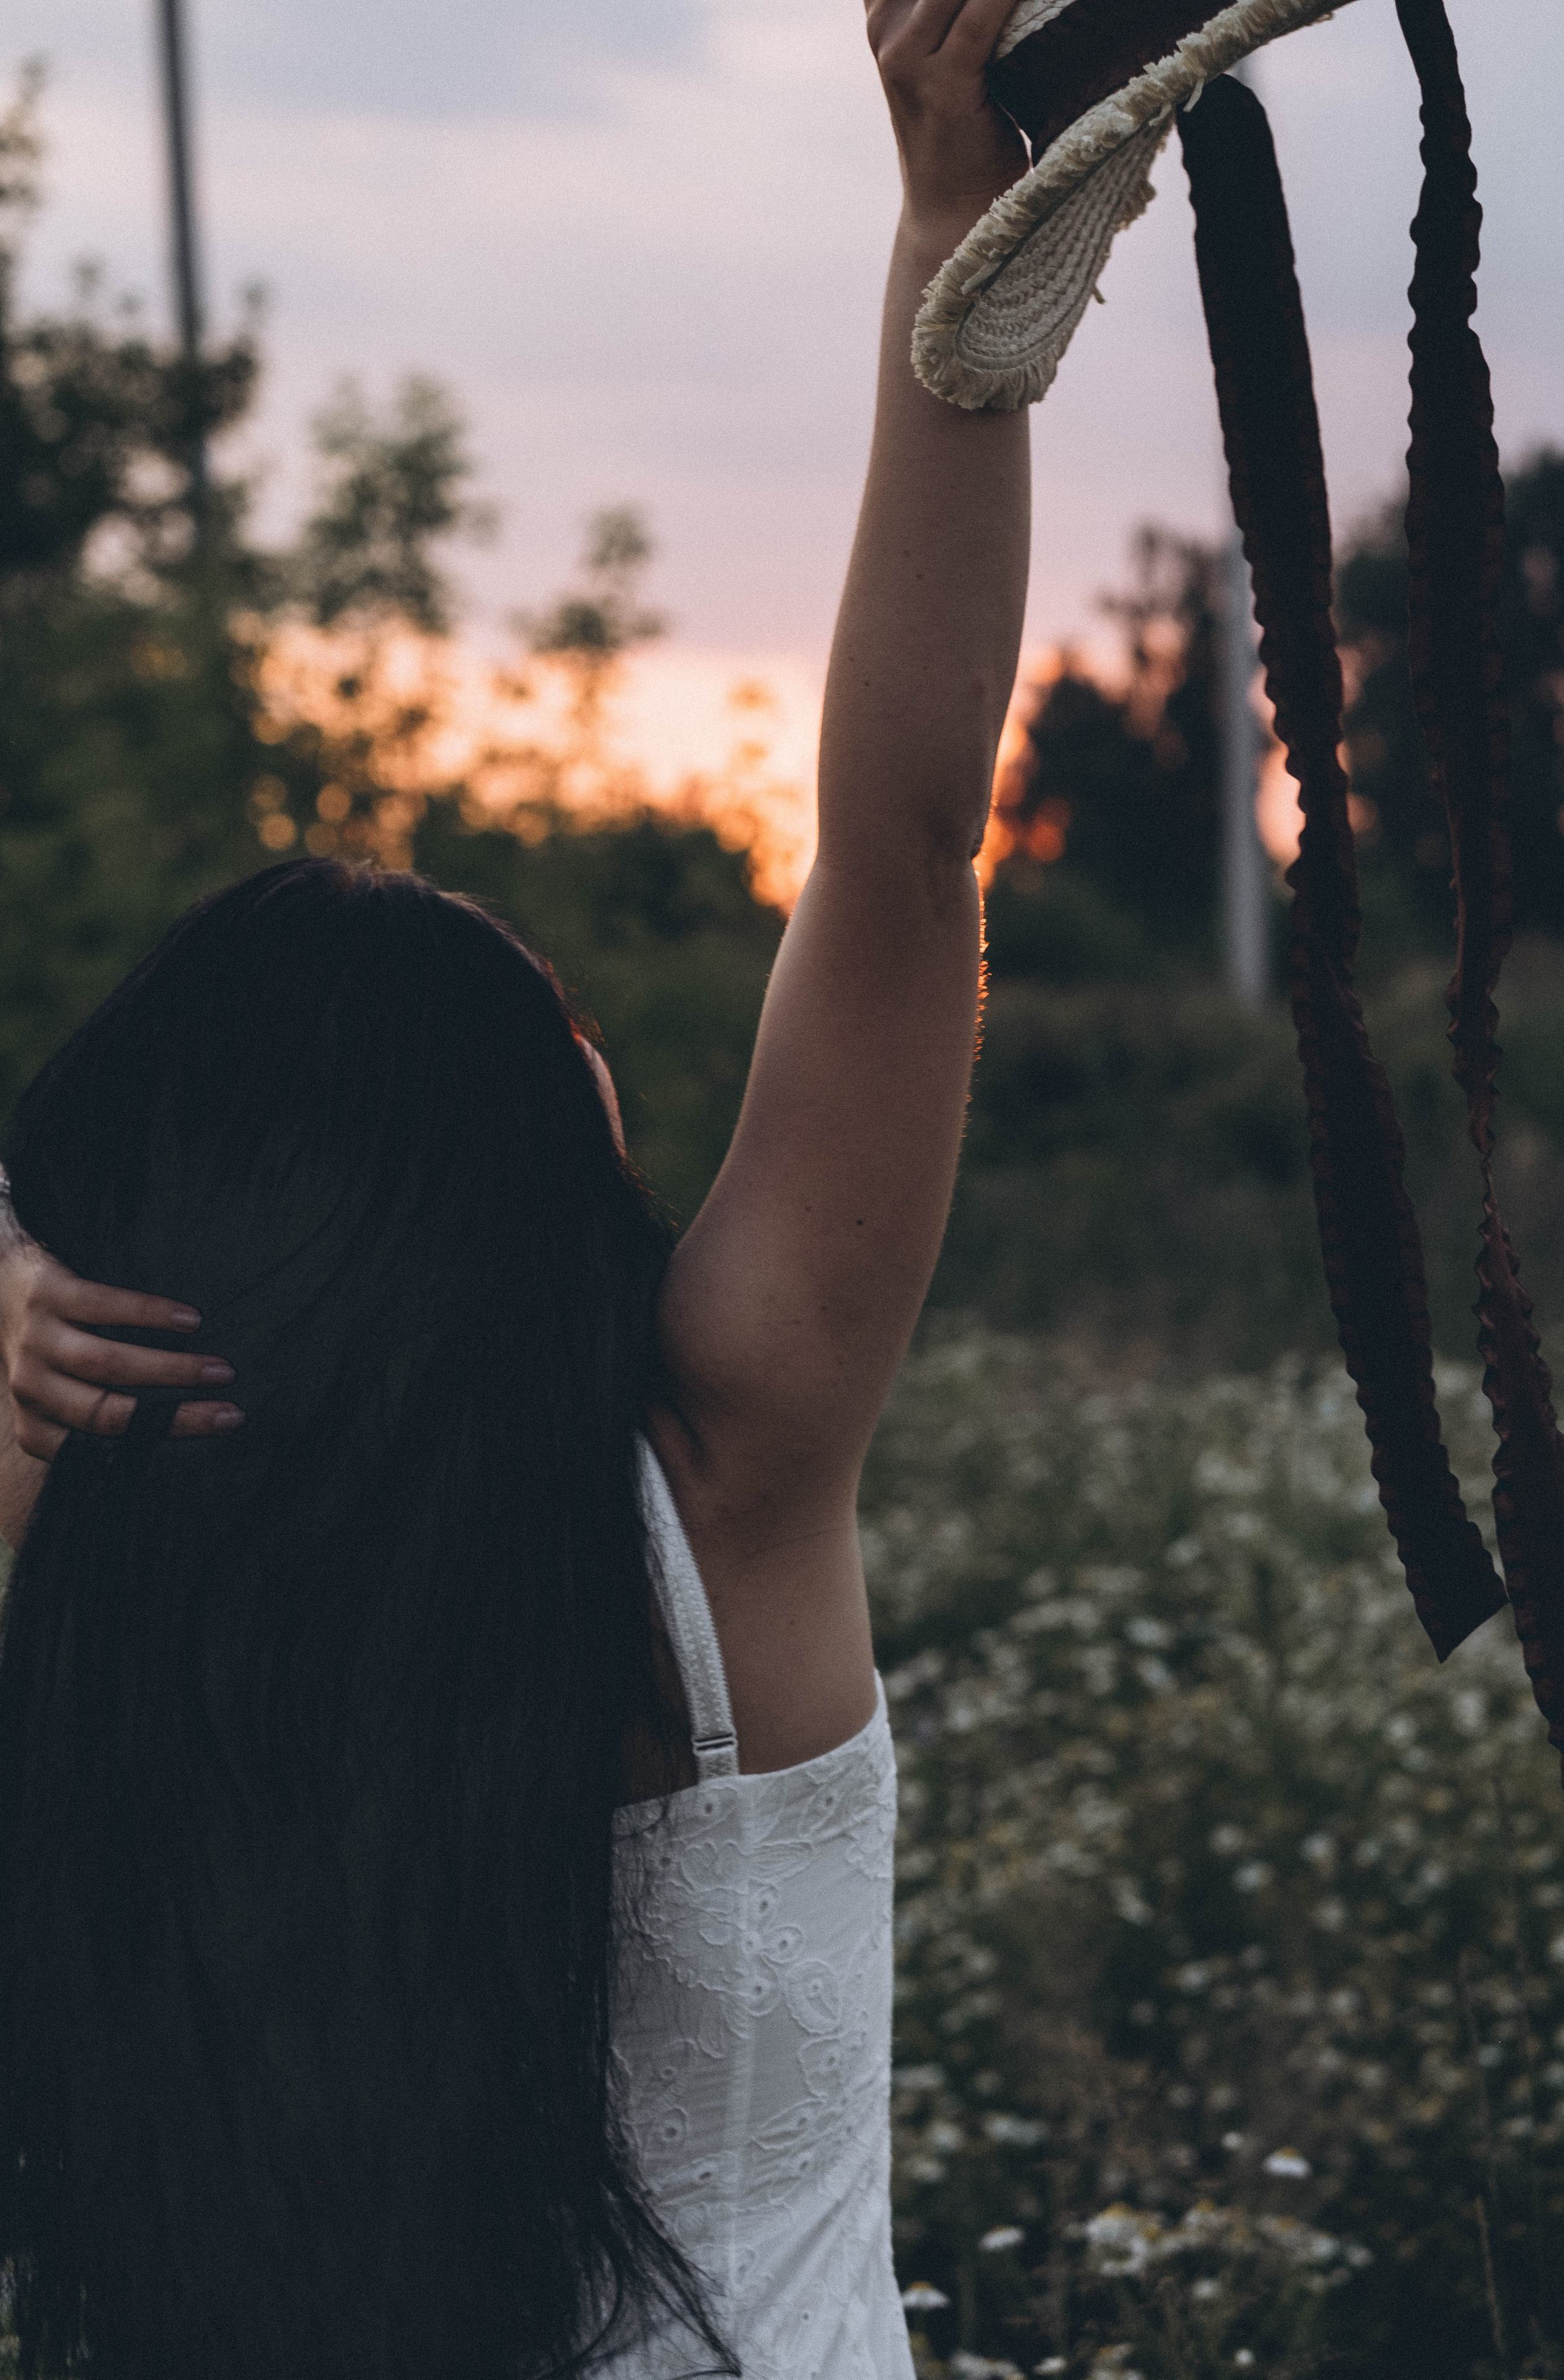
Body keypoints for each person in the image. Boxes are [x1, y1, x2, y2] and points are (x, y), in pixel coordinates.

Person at [0, 1, 1032, 2372]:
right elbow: (897, 851)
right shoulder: (719, 1485)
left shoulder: (98, 1545)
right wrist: (958, 244)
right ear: (513, 1158)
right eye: (570, 1035)